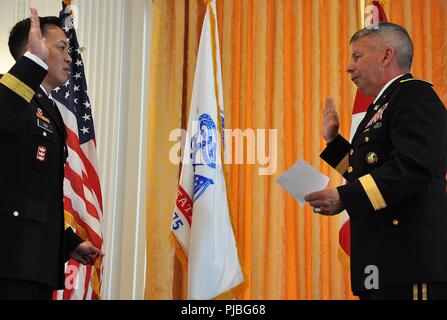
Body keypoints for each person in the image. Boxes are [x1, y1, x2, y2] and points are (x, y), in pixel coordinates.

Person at [305, 22, 447, 300]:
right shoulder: (383, 105)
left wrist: (345, 197)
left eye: (357, 56)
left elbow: (413, 166)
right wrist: (334, 143)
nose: (349, 66)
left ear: (386, 55)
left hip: (410, 263)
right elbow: (367, 169)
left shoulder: (414, 95)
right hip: (381, 262)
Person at [0, 8, 103, 300]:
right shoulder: (11, 95)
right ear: (34, 49)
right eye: (61, 48)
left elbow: (33, 191)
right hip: (9, 262)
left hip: (35, 263)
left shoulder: (47, 108)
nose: (70, 56)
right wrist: (31, 64)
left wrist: (67, 242)